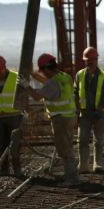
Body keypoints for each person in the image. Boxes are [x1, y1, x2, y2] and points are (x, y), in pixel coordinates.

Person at [27, 53, 79, 186]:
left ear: (46, 69)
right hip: (69, 117)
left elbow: (37, 96)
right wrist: (33, 74)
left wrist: (25, 86)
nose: (43, 75)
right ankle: (71, 176)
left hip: (60, 119)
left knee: (64, 149)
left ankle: (71, 179)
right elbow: (48, 82)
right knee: (67, 146)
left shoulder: (52, 83)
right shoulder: (64, 77)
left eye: (43, 72)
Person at [76, 47, 104, 173]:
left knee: (99, 140)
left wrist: (99, 110)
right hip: (84, 113)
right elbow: (76, 92)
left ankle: (98, 164)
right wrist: (77, 109)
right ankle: (83, 165)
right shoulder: (80, 75)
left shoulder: (103, 76)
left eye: (91, 60)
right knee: (82, 140)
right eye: (87, 60)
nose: (89, 63)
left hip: (98, 114)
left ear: (96, 60)